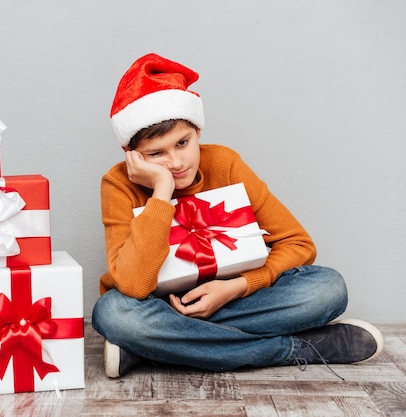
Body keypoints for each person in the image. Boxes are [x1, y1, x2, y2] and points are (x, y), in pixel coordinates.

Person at [91, 53, 383, 379]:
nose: (175, 162)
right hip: (163, 307)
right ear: (132, 156)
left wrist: (236, 287)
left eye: (183, 143)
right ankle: (295, 349)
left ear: (197, 131)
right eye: (156, 154)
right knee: (114, 314)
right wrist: (161, 189)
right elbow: (133, 285)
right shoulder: (118, 183)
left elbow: (299, 244)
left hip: (238, 300)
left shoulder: (225, 163)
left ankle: (154, 347)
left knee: (328, 288)